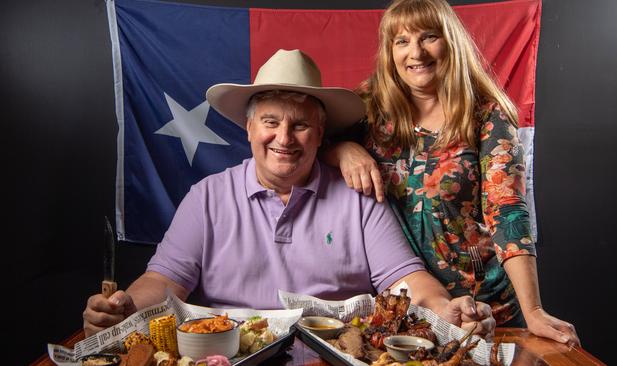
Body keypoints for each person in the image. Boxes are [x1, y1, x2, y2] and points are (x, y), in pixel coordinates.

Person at [83, 49, 495, 338]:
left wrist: (445, 309)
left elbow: (407, 280)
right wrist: (124, 309)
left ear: (320, 134)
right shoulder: (207, 196)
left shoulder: (359, 198)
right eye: (270, 121)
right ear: (248, 129)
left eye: (300, 125)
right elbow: (164, 281)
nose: (284, 138)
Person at [322, 0, 580, 346]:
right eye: (402, 41)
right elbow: (303, 146)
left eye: (429, 37)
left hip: (481, 308)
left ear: (451, 42)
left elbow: (507, 211)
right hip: (400, 303)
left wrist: (533, 310)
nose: (416, 52)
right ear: (389, 51)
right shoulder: (366, 108)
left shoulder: (486, 116)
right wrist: (341, 150)